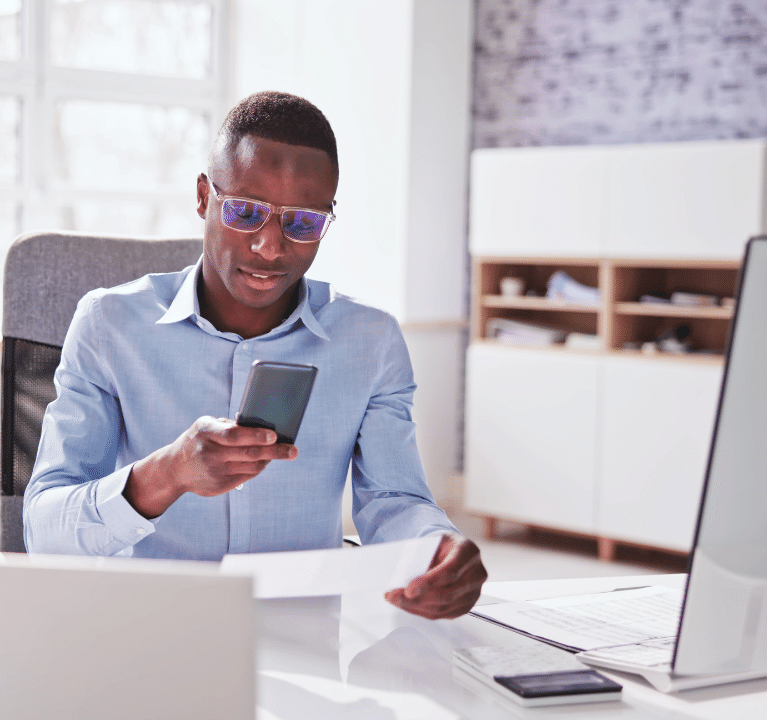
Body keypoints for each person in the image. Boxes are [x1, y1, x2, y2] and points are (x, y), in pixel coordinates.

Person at [24, 91, 486, 619]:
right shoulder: (109, 325)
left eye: (303, 223)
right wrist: (169, 473)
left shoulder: (370, 341)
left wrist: (437, 545)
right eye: (246, 212)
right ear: (203, 197)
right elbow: (43, 532)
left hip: (304, 642)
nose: (271, 247)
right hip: (151, 631)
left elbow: (393, 501)